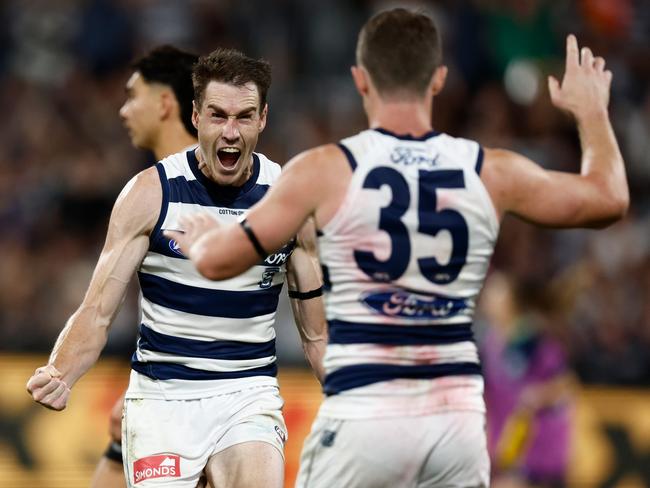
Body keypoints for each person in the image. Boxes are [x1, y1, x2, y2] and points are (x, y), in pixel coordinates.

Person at [166, 8, 628, 488]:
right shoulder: (489, 170)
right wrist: (590, 110)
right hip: (456, 425)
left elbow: (220, 262)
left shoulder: (325, 170)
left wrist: (203, 240)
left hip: (366, 412)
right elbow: (609, 199)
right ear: (439, 79)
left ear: (360, 80)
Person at [26, 47, 325, 488]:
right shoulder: (150, 194)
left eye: (244, 117)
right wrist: (61, 370)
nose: (230, 132)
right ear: (196, 116)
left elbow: (315, 333)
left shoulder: (289, 202)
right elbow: (97, 311)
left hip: (247, 395)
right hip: (163, 399)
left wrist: (353, 399)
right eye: (217, 115)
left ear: (263, 119)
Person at [92, 45, 199, 488]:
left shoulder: (210, 189)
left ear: (165, 103)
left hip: (202, 397)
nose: (123, 110)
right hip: (159, 388)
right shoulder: (151, 188)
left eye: (133, 95)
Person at [480, 272, 575, 488]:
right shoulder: (491, 342)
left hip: (539, 451)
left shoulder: (533, 339)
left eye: (497, 290)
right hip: (508, 449)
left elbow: (565, 385)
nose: (488, 296)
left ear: (513, 299)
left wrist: (536, 397)